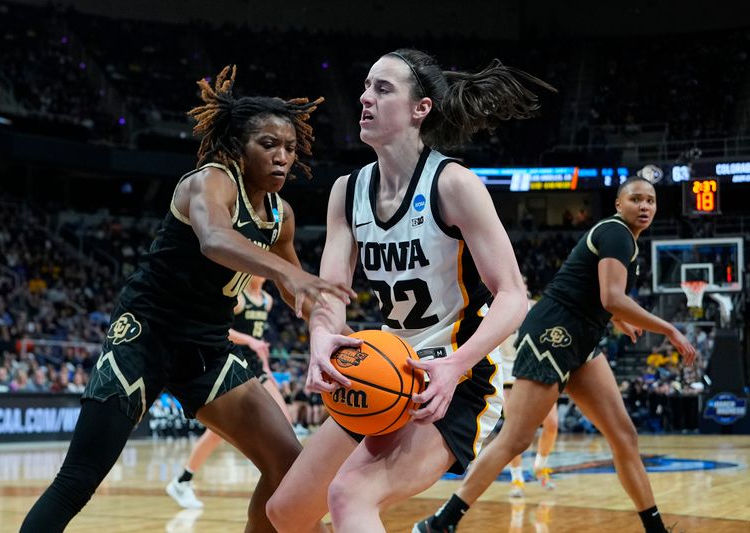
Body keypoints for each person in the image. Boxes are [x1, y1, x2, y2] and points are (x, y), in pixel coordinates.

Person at [20, 65, 355, 533]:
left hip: (206, 349)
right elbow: (215, 239)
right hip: (144, 337)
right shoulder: (210, 181)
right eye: (269, 145)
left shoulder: (281, 216)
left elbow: (296, 291)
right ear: (239, 147)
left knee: (289, 468)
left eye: (290, 148)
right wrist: (287, 272)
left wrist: (340, 334)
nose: (282, 157)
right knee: (77, 479)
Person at [266, 48, 555, 533]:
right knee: (287, 512)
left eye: (383, 88)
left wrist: (455, 366)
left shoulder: (454, 184)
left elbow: (512, 295)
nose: (365, 97)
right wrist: (322, 338)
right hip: (387, 368)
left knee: (349, 494)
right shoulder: (348, 191)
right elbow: (332, 293)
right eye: (365, 86)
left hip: (456, 377)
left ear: (420, 108)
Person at [416, 176, 696, 533]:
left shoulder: (626, 242)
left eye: (651, 201)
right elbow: (611, 296)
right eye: (636, 199)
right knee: (516, 438)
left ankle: (654, 528)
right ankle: (443, 521)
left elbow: (598, 295)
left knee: (624, 434)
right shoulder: (616, 233)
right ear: (618, 204)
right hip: (551, 333)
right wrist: (668, 328)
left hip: (581, 340)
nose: (644, 206)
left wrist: (618, 318)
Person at [166, 276, 293, 509]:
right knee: (216, 434)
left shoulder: (267, 301)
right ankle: (182, 481)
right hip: (236, 364)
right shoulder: (239, 298)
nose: (261, 271)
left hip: (257, 366)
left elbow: (260, 339)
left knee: (286, 423)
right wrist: (250, 341)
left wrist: (266, 367)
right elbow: (220, 329)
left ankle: (278, 481)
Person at [498, 297, 559, 498]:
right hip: (508, 373)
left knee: (552, 423)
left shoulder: (537, 307)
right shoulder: (493, 306)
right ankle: (517, 478)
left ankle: (540, 467)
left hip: (538, 367)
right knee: (514, 430)